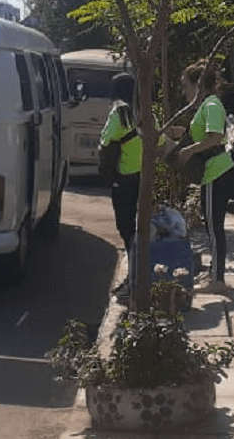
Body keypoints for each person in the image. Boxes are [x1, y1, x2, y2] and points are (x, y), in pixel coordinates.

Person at [175, 60, 234, 295]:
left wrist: (189, 151)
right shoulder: (207, 105)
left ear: (199, 85)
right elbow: (201, 135)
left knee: (213, 226)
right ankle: (214, 272)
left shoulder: (212, 105)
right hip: (212, 172)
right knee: (212, 225)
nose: (184, 92)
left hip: (215, 171)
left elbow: (215, 136)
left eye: (186, 86)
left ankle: (217, 279)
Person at [99, 73, 142, 299]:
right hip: (143, 180)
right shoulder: (145, 114)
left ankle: (132, 280)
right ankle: (136, 277)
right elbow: (160, 142)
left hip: (123, 179)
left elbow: (105, 141)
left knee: (126, 230)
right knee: (138, 229)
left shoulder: (119, 113)